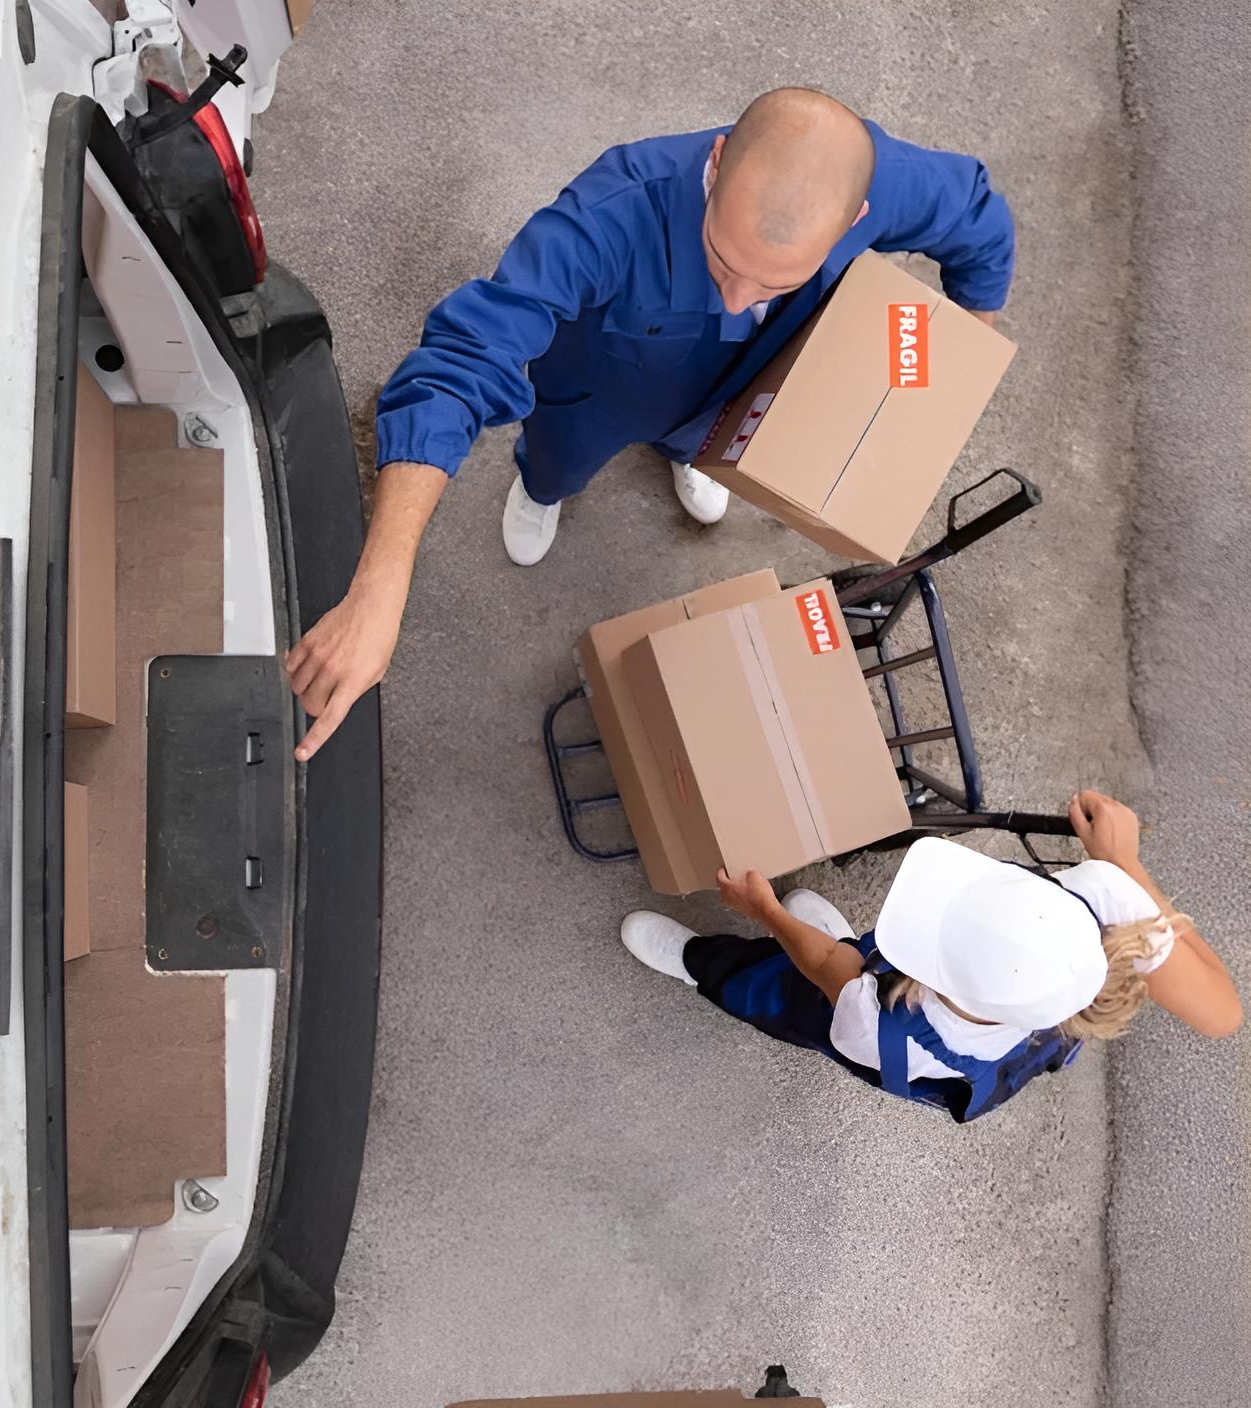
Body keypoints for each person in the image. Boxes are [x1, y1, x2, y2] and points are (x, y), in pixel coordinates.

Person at [284, 87, 1016, 760]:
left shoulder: (881, 181)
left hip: (740, 398)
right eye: (722, 260)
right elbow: (464, 358)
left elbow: (979, 222)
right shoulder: (609, 211)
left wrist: (949, 360)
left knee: (711, 443)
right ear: (719, 159)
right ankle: (541, 489)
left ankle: (693, 455)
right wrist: (381, 585)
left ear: (857, 218)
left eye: (774, 282)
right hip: (596, 395)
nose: (736, 300)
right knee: (556, 462)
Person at [619, 791, 1242, 1121]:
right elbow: (1223, 1015)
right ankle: (826, 935)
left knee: (778, 988)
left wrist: (764, 912)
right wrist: (1122, 864)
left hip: (851, 997)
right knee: (844, 959)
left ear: (932, 977)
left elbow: (826, 970)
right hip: (893, 994)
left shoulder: (878, 1024)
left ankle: (698, 962)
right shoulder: (1099, 908)